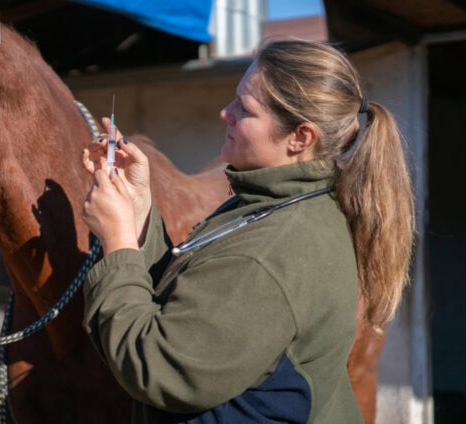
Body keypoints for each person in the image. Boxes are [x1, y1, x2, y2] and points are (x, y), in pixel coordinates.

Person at [80, 39, 415, 423]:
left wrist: (118, 241)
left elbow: (158, 367)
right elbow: (190, 305)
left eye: (246, 109)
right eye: (235, 98)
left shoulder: (272, 249)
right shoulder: (279, 204)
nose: (226, 113)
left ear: (300, 138)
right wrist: (138, 211)